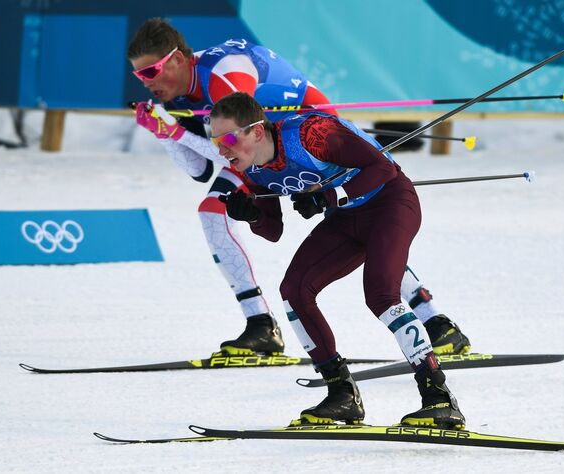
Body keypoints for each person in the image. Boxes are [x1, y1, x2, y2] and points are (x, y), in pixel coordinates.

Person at [126, 18, 470, 357]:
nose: (145, 82)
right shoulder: (174, 97)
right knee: (213, 211)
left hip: (306, 139)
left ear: (175, 59)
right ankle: (261, 325)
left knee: (360, 220)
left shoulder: (225, 74)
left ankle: (435, 320)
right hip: (260, 153)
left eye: (150, 72)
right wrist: (164, 133)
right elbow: (201, 169)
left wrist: (173, 132)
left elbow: (229, 150)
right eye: (138, 75)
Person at [210, 92, 465, 428]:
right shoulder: (251, 170)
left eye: (228, 138)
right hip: (346, 218)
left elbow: (383, 168)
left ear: (257, 131)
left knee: (381, 295)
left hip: (390, 204)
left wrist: (331, 196)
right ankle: (342, 395)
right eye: (215, 140)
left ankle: (439, 397)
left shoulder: (310, 134)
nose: (221, 150)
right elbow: (272, 231)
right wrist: (251, 216)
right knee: (294, 289)